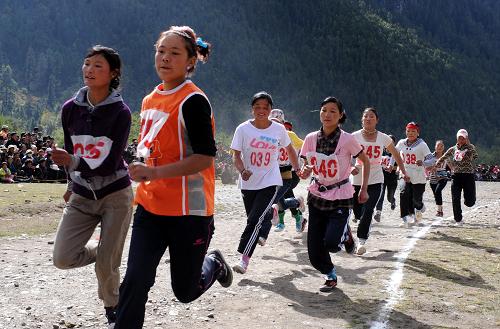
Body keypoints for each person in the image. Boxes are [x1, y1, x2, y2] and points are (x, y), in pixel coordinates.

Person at [114, 26, 232, 329]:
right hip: (151, 208)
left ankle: (215, 263)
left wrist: (153, 172)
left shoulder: (193, 101)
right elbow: (150, 148)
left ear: (191, 61)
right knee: (135, 280)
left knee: (185, 291)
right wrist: (139, 166)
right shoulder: (149, 99)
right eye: (160, 51)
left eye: (174, 53)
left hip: (188, 213)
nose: (165, 58)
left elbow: (205, 157)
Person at [51, 45, 133, 328]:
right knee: (62, 258)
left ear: (113, 74)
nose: (90, 69)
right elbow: (71, 149)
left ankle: (113, 308)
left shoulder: (121, 113)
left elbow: (110, 162)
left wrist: (72, 161)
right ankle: (105, 252)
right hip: (82, 195)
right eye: (87, 64)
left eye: (98, 65)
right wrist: (69, 184)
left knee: (106, 267)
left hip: (116, 195)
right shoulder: (69, 109)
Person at [299, 96, 370, 291]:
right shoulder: (311, 138)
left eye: (332, 111)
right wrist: (305, 171)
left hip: (341, 197)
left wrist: (363, 189)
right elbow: (307, 164)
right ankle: (329, 273)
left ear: (340, 116)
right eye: (324, 110)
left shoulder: (347, 139)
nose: (327, 114)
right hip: (317, 196)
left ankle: (346, 235)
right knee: (313, 252)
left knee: (331, 244)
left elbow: (365, 160)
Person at [230, 92, 300, 274]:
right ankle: (272, 212)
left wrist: (297, 168)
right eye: (257, 107)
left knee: (254, 220)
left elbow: (290, 150)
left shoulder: (278, 129)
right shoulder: (243, 129)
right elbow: (236, 156)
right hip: (248, 183)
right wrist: (242, 170)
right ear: (252, 109)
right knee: (253, 219)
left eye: (265, 107)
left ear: (270, 110)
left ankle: (243, 260)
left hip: (270, 180)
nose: (261, 110)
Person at [351, 108, 408, 255]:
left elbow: (396, 154)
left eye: (371, 116)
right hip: (357, 179)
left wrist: (402, 170)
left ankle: (361, 241)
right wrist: (351, 167)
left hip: (376, 179)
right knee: (357, 212)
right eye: (365, 116)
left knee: (369, 209)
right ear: (362, 120)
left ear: (377, 120)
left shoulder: (383, 138)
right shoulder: (354, 136)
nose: (368, 119)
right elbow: (344, 155)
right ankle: (357, 222)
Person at [268, 109, 306, 233]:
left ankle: (284, 222)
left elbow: (305, 146)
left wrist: (303, 162)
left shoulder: (289, 135)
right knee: (281, 201)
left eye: (278, 122)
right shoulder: (266, 135)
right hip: (274, 173)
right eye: (272, 121)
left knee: (278, 197)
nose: (275, 124)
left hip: (290, 172)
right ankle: (297, 212)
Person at [394, 122, 434, 227]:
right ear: (405, 131)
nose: (410, 133)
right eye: (408, 131)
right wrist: (390, 165)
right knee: (403, 193)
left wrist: (423, 163)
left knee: (416, 200)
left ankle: (419, 215)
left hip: (419, 176)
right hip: (405, 173)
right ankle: (405, 219)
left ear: (418, 133)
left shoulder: (422, 144)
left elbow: (432, 160)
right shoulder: (401, 143)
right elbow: (394, 155)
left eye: (413, 131)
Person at [435, 129, 478, 224]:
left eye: (463, 138)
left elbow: (475, 156)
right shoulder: (453, 149)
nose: (461, 140)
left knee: (470, 202)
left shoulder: (470, 147)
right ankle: (458, 219)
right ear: (457, 138)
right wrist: (438, 163)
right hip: (456, 176)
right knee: (455, 198)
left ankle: (469, 201)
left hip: (468, 176)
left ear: (466, 138)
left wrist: (469, 146)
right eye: (460, 138)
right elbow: (444, 156)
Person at [375, 134, 399, 215]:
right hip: (382, 177)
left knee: (389, 197)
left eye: (391, 142)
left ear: (394, 144)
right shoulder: (381, 151)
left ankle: (393, 201)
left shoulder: (396, 153)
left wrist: (391, 168)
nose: (389, 143)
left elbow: (400, 167)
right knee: (380, 195)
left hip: (392, 178)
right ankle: (378, 212)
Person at [428, 140, 450, 217]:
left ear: (443, 148)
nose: (440, 147)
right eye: (438, 146)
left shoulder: (446, 156)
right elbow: (426, 167)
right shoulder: (431, 156)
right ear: (435, 147)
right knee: (436, 194)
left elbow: (451, 166)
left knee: (437, 191)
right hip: (433, 177)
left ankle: (439, 211)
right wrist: (432, 168)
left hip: (443, 176)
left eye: (441, 146)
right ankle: (440, 209)